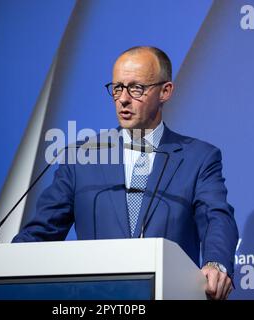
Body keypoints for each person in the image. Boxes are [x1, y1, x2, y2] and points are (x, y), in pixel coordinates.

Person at [13, 46, 239, 300]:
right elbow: (40, 233)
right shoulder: (81, 158)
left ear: (165, 91)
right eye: (117, 88)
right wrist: (5, 266)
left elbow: (216, 218)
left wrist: (216, 264)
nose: (123, 98)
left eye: (136, 88)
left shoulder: (198, 157)